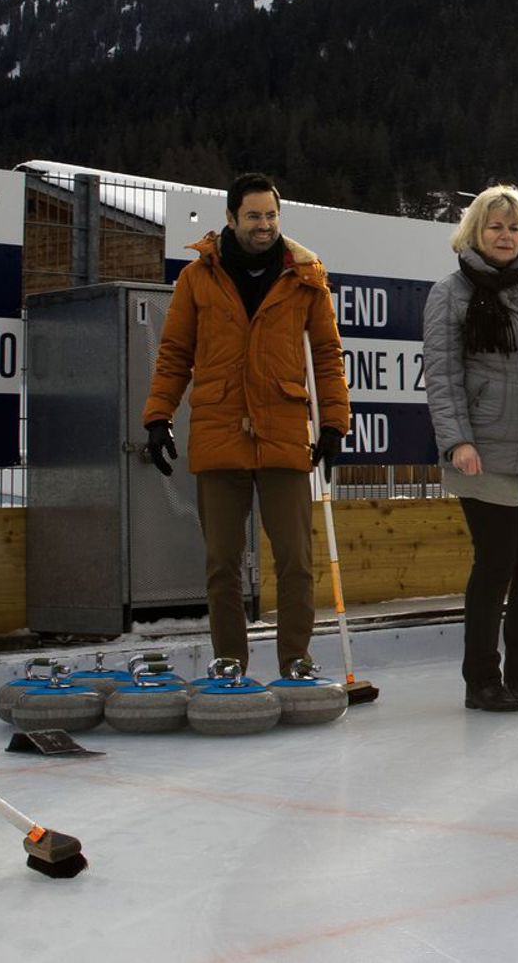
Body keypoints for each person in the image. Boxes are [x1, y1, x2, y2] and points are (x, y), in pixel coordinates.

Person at [143, 172, 349, 675]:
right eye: (254, 215)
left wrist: (333, 423)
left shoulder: (305, 276)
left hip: (283, 429)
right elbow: (175, 353)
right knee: (222, 563)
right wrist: (158, 416)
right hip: (220, 430)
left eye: (271, 215)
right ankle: (230, 661)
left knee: (296, 559)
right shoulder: (197, 278)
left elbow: (327, 355)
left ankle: (296, 659)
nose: (264, 225)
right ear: (231, 219)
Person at [421, 186, 518, 712]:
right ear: (475, 232)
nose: (505, 236)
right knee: (495, 566)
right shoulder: (450, 293)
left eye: (513, 227)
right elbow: (442, 376)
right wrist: (457, 440)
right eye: (495, 227)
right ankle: (481, 680)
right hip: (485, 449)